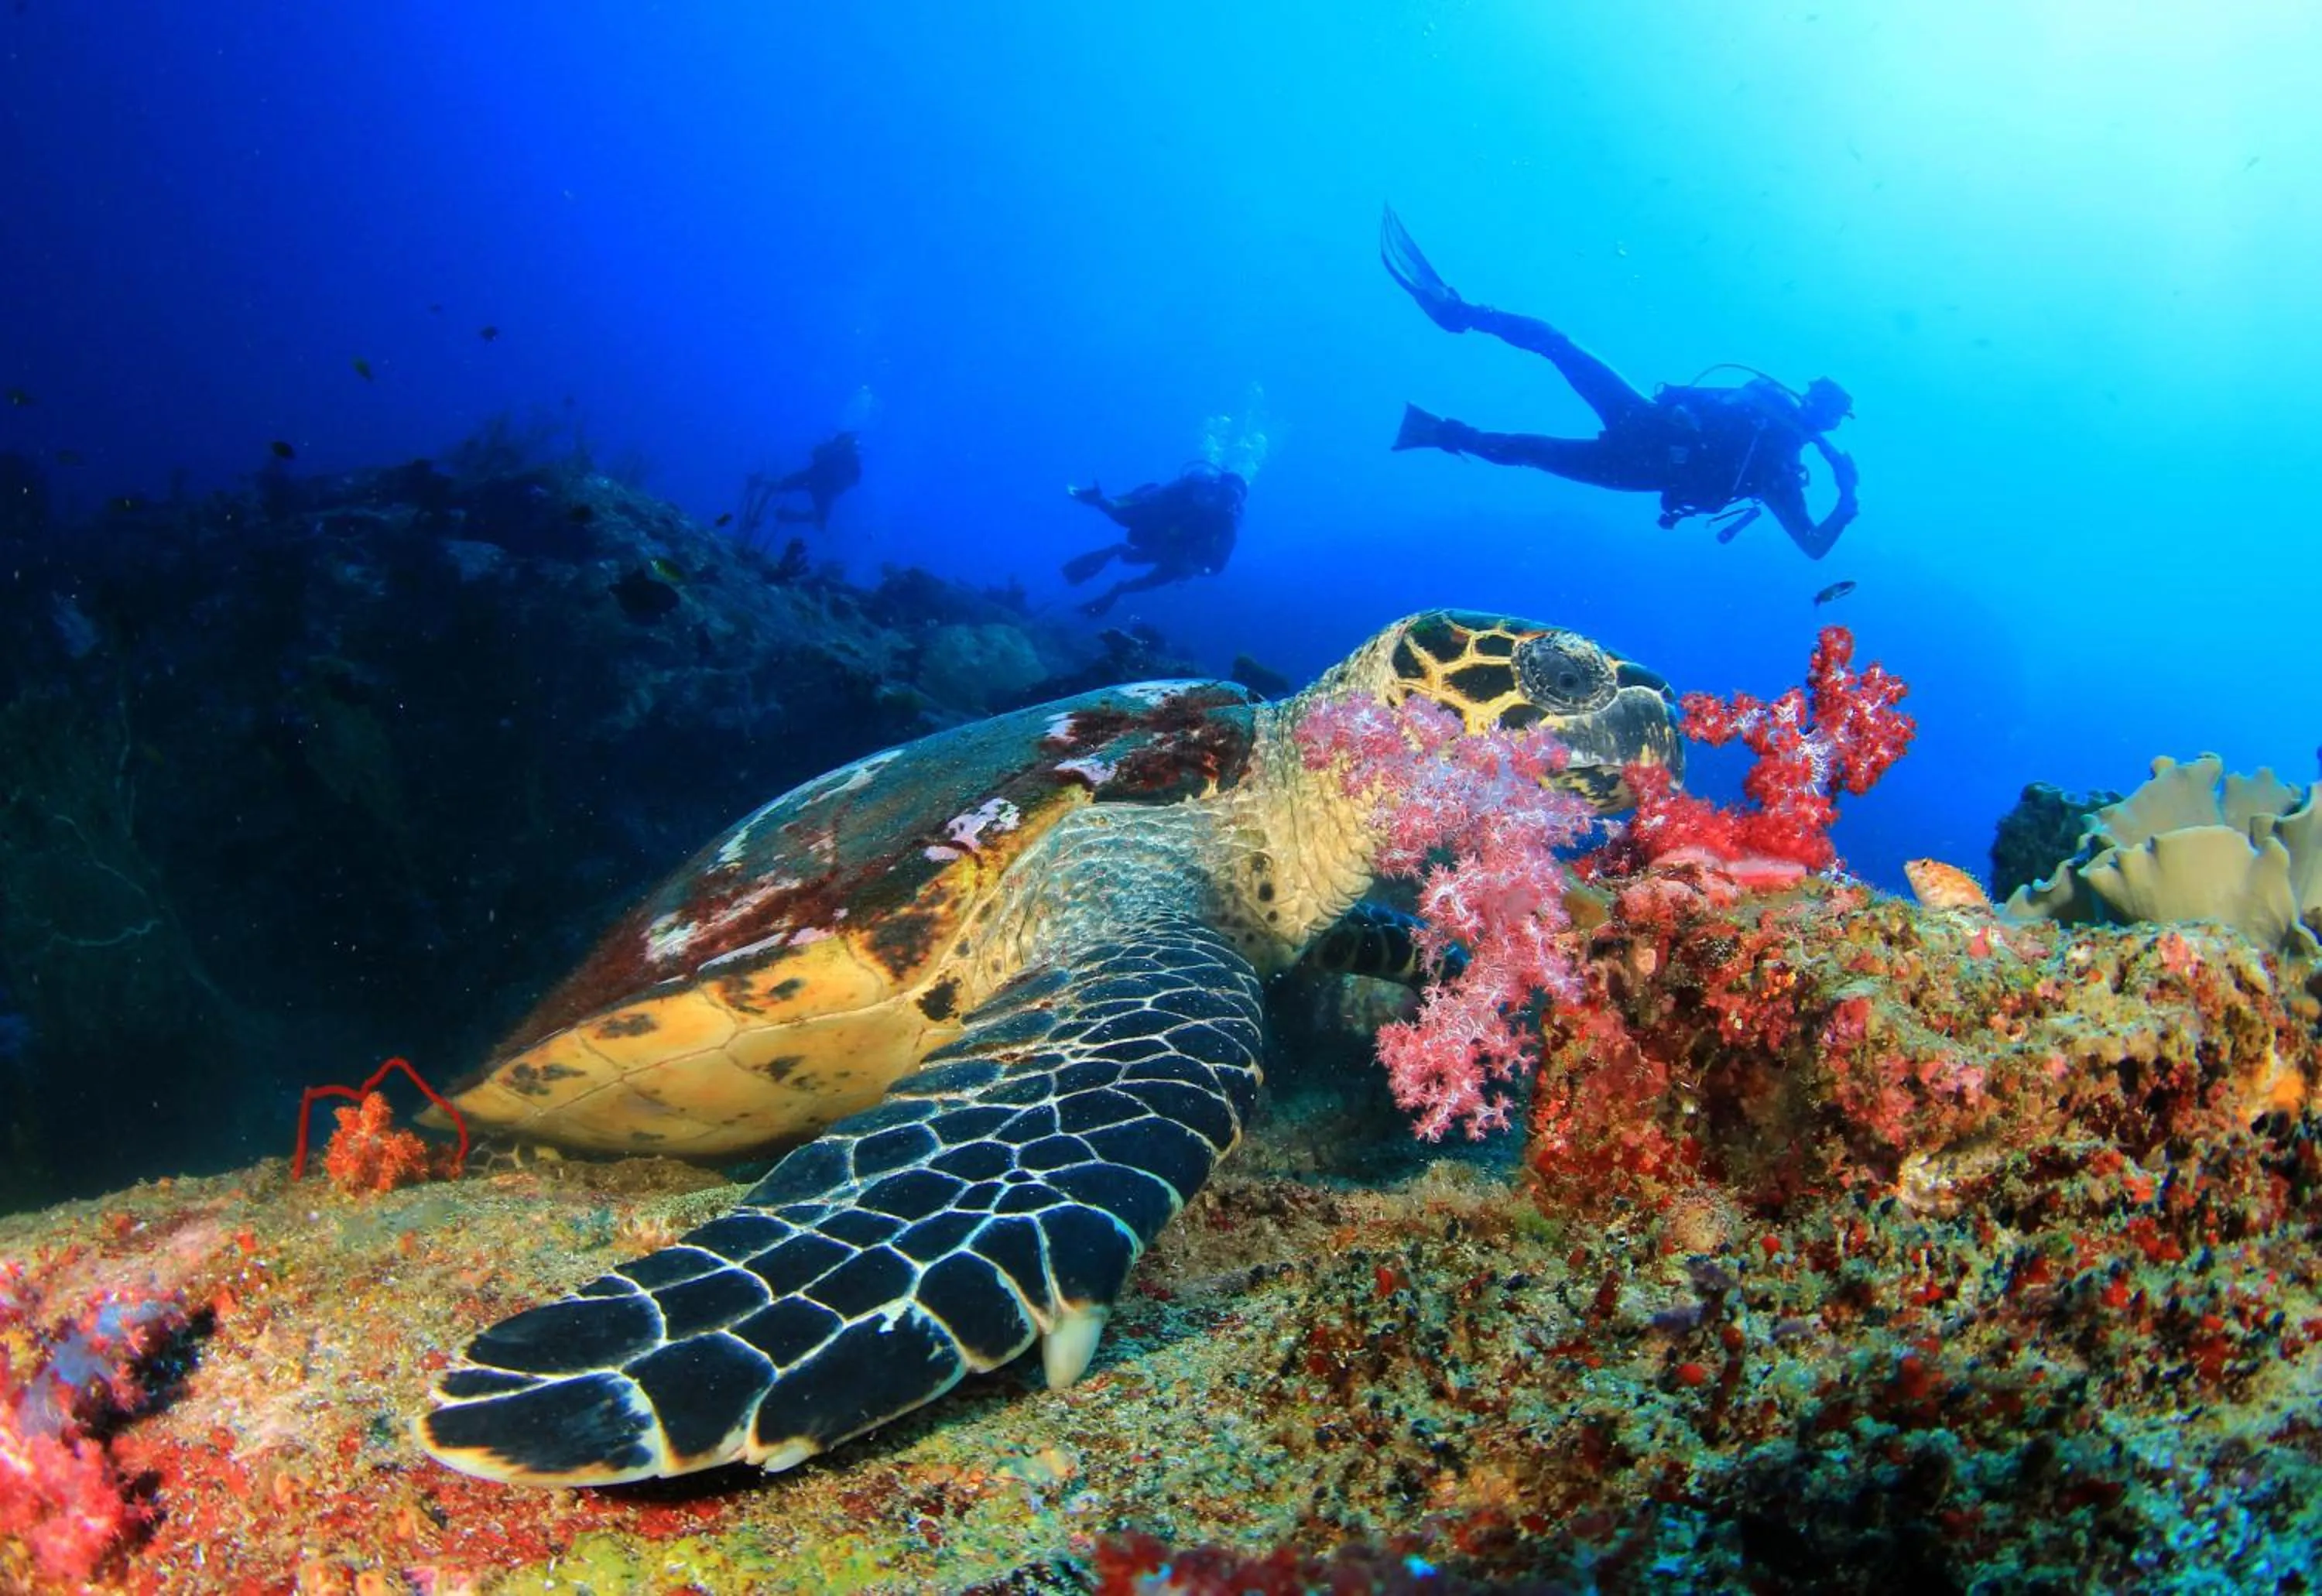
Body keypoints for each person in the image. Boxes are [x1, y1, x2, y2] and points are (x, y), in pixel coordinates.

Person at [1382, 206, 1860, 560]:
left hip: (1643, 468)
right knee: (1558, 345)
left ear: (1829, 423)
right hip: (1648, 424)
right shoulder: (1766, 396)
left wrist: (1846, 499)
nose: (1813, 407)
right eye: (1818, 397)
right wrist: (1681, 408)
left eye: (1826, 409)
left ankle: (1437, 431)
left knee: (1530, 447)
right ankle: (1458, 311)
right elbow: (1701, 395)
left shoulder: (1780, 472)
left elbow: (1813, 546)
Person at [1060, 464, 1245, 617]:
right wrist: (1100, 500)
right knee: (1129, 536)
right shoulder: (1179, 494)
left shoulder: (1226, 525)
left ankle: (1114, 591)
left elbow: (1217, 565)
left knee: (1152, 579)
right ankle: (1107, 560)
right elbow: (1131, 510)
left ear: (1236, 504)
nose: (1223, 501)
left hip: (1177, 557)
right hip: (1152, 535)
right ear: (1212, 486)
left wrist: (1193, 568)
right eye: (1223, 493)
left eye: (1231, 498)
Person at [770, 430, 861, 531]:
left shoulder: (848, 456)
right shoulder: (842, 452)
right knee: (784, 484)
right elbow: (855, 479)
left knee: (821, 518)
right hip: (820, 482)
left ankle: (793, 516)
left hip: (821, 483)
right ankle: (794, 515)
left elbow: (855, 478)